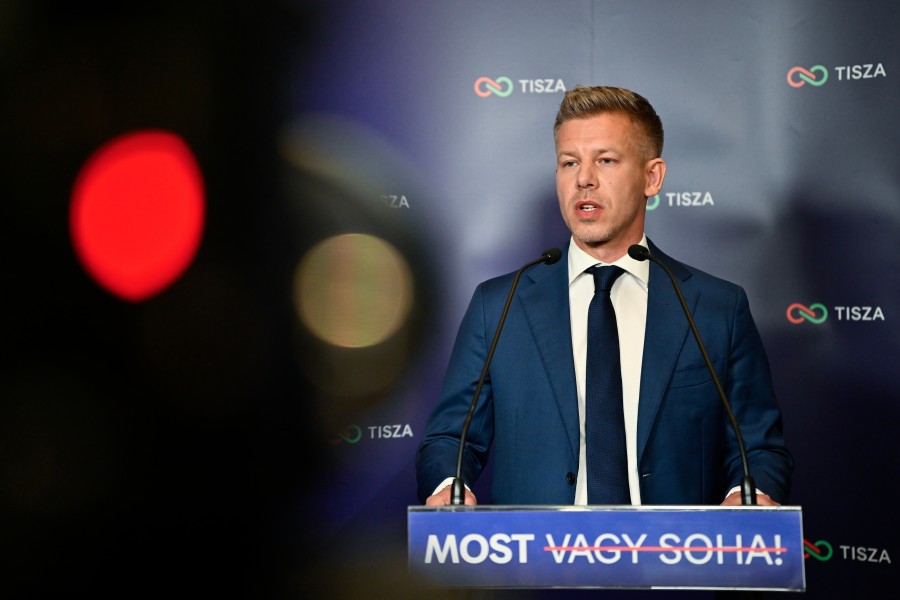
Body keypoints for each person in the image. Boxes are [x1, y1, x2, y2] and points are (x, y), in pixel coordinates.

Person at [415, 85, 793, 507]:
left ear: (652, 177)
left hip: (670, 545)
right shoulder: (499, 305)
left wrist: (749, 495)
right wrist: (448, 484)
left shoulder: (716, 308)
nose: (584, 179)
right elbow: (451, 438)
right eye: (569, 162)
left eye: (606, 160)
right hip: (541, 547)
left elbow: (758, 447)